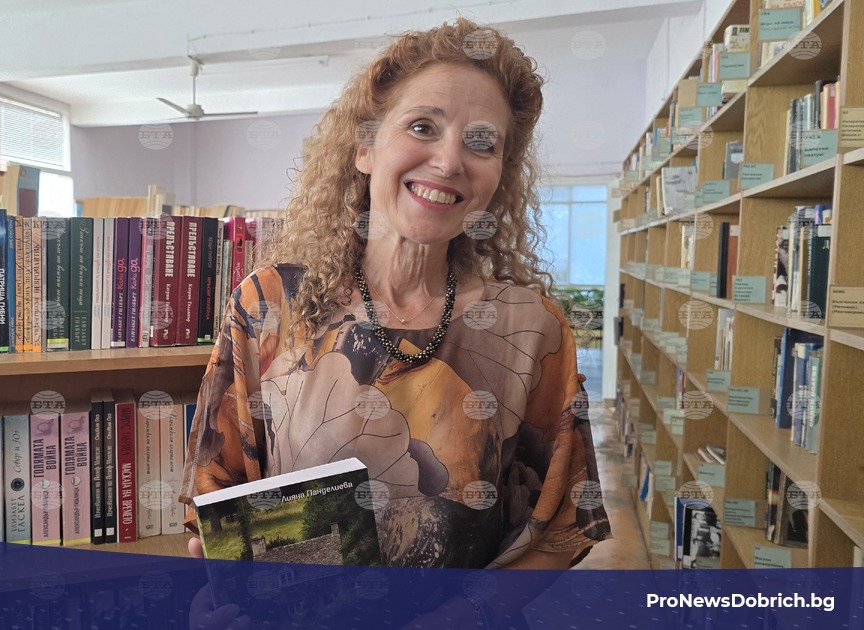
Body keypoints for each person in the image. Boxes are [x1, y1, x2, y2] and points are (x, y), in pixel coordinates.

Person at [179, 18, 612, 574]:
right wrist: (226, 595)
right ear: (365, 148)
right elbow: (218, 501)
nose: (449, 161)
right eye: (423, 126)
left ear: (499, 176)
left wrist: (463, 616)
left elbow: (560, 533)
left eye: (482, 142)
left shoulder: (533, 331)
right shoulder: (269, 306)